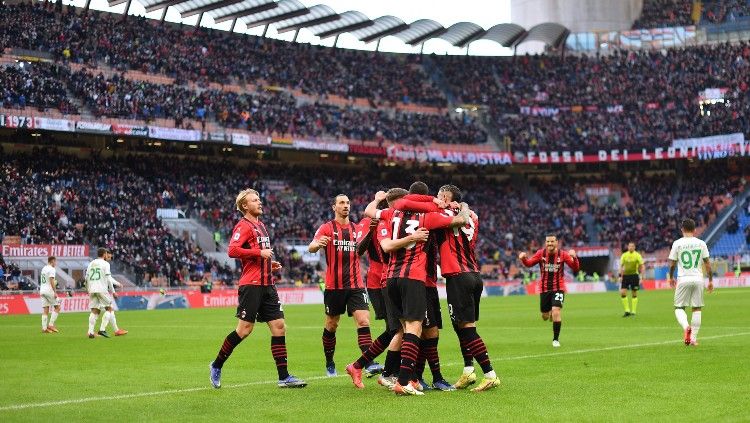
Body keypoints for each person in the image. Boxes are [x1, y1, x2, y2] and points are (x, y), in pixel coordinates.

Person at [359, 182, 469, 396]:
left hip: (395, 278)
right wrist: (462, 206)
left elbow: (370, 211)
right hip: (415, 278)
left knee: (410, 330)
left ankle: (407, 378)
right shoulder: (429, 217)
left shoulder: (392, 214)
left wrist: (377, 198)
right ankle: (406, 380)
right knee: (414, 329)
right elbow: (461, 219)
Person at [393, 184, 497, 391]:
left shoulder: (439, 211)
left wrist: (433, 201)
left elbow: (402, 203)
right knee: (462, 326)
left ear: (450, 199)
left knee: (467, 330)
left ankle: (490, 374)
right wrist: (463, 205)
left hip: (457, 276)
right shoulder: (473, 215)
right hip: (474, 274)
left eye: (443, 196)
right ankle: (468, 370)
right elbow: (465, 219)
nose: (439, 198)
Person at [209, 189, 306, 389]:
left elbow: (254, 258)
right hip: (251, 285)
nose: (259, 202)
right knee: (244, 330)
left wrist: (269, 265)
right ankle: (217, 364)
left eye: (259, 199)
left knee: (279, 327)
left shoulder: (261, 225)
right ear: (245, 206)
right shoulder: (243, 226)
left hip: (268, 284)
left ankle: (284, 376)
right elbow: (232, 250)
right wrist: (259, 252)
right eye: (255, 200)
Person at [308, 194, 375, 377]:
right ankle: (330, 362)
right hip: (334, 286)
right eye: (341, 203)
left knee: (363, 320)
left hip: (356, 285)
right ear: (334, 207)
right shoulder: (327, 228)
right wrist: (316, 245)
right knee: (331, 324)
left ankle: (368, 362)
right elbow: (311, 246)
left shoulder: (356, 229)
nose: (345, 206)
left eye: (347, 203)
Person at [519, 235, 580, 347]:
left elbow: (575, 268)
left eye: (552, 241)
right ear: (545, 243)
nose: (550, 244)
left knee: (556, 311)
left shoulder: (563, 254)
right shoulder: (540, 254)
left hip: (558, 288)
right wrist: (523, 258)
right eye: (548, 242)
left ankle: (555, 340)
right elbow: (529, 264)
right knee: (545, 316)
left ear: (557, 242)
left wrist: (575, 258)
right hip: (544, 289)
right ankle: (550, 312)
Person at [667, 218, 713, 346]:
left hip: (683, 278)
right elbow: (708, 264)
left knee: (679, 307)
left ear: (682, 229)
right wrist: (710, 280)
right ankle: (693, 338)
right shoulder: (701, 243)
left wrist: (670, 277)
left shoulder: (677, 243)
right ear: (695, 230)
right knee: (697, 308)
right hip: (698, 279)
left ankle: (686, 327)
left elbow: (672, 264)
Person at [85, 248, 119, 338]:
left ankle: (91, 332)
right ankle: (102, 329)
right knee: (109, 309)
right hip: (101, 289)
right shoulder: (105, 264)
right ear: (104, 254)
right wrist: (113, 292)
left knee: (95, 311)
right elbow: (108, 278)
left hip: (92, 289)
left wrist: (88, 289)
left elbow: (86, 278)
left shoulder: (91, 263)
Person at [619, 242, 644, 317]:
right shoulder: (624, 255)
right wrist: (620, 276)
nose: (630, 247)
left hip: (634, 276)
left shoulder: (637, 255)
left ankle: (633, 311)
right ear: (628, 247)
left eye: (632, 246)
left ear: (634, 247)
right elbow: (621, 266)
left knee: (634, 293)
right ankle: (627, 311)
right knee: (623, 292)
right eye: (629, 246)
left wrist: (641, 277)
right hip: (626, 276)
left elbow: (642, 266)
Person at [40, 256, 61, 333]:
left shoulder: (44, 268)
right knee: (58, 307)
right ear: (52, 261)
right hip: (49, 290)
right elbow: (51, 280)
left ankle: (44, 328)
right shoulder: (52, 269)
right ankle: (51, 324)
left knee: (46, 309)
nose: (56, 263)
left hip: (42, 290)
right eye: (55, 262)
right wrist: (55, 291)